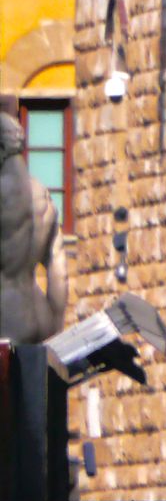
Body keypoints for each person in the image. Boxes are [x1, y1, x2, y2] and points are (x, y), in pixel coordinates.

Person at [0, 110, 66, 344]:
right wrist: (57, 329)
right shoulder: (43, 195)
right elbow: (59, 270)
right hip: (40, 318)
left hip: (7, 322)